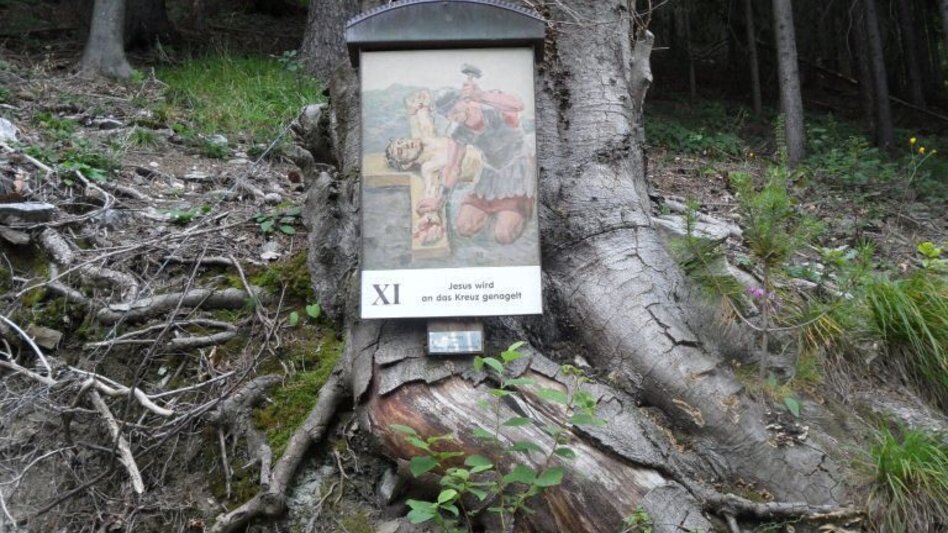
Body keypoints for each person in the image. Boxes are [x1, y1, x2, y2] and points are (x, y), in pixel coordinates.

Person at [416, 80, 535, 245]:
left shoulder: (491, 106)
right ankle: (496, 210)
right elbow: (452, 168)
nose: (455, 117)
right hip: (490, 174)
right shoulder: (457, 131)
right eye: (449, 115)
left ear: (464, 101)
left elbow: (518, 105)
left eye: (455, 110)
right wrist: (439, 200)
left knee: (504, 235)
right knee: (464, 227)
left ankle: (511, 212)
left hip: (517, 170)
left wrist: (481, 95)